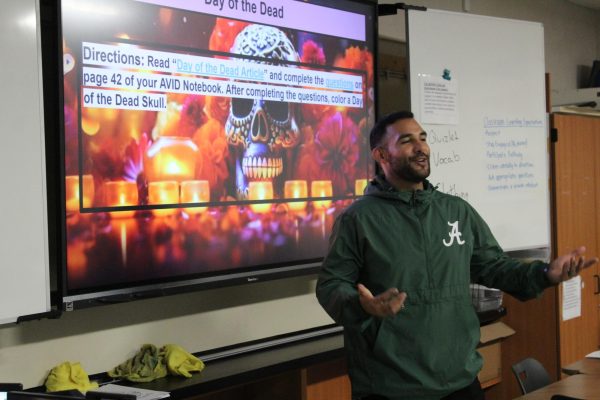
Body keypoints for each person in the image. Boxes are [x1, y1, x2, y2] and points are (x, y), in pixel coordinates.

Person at [315, 111, 598, 400]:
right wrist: (364, 306)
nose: (421, 147)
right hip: (390, 388)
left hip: (459, 382)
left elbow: (495, 267)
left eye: (423, 138)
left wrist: (545, 273)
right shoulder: (358, 219)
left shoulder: (456, 211)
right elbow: (330, 286)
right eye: (407, 141)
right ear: (381, 155)